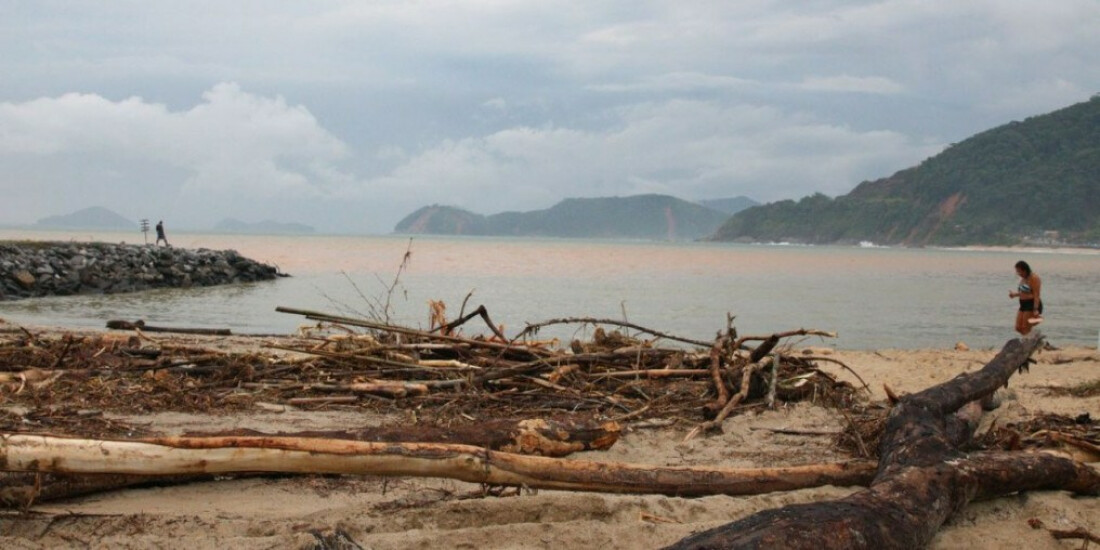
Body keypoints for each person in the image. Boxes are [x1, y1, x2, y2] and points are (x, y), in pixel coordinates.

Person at [1008, 260, 1042, 335]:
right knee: (1018, 327)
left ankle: (1029, 342)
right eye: (1017, 272)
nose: (1019, 274)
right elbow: (1024, 292)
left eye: (1020, 271)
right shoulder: (1023, 279)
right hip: (1023, 304)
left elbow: (1036, 294)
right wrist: (1014, 294)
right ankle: (1031, 338)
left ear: (1025, 270)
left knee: (1025, 327)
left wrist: (1035, 309)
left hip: (1031, 304)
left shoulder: (1034, 278)